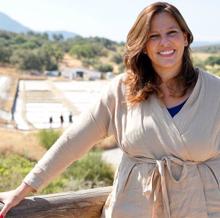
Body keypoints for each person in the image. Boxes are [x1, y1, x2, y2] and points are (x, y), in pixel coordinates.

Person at [1, 2, 220, 217]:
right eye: (153, 36)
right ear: (143, 45)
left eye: (172, 32)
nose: (164, 42)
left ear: (186, 37)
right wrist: (24, 188)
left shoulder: (215, 91)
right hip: (133, 210)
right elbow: (73, 141)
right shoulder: (122, 90)